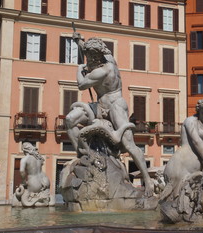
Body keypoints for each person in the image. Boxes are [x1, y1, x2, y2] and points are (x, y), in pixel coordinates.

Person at [66, 33, 154, 197]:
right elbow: (89, 51)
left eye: (91, 56)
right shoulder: (107, 57)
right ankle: (84, 155)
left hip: (115, 106)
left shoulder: (103, 70)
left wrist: (79, 69)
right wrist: (80, 42)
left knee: (129, 144)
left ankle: (148, 179)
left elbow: (81, 85)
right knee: (70, 119)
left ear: (98, 56)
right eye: (88, 55)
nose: (89, 59)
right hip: (98, 107)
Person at [161, 98, 203, 200]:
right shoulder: (190, 120)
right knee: (173, 202)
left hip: (196, 171)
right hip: (180, 166)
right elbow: (196, 142)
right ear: (199, 110)